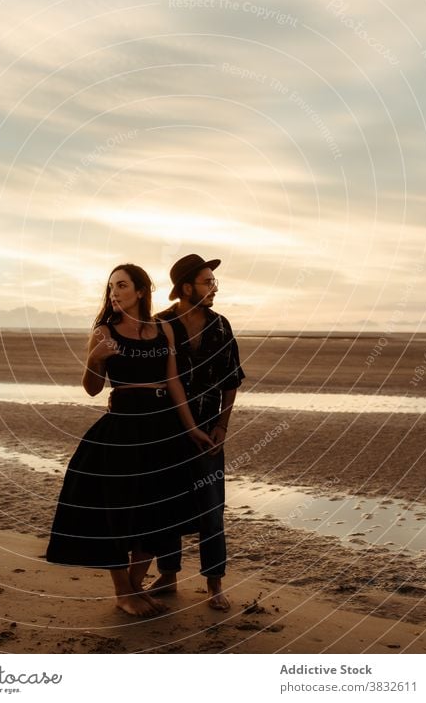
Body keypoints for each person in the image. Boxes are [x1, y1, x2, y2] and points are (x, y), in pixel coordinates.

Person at [46, 263, 213, 618]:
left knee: (158, 511)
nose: (114, 293)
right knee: (118, 512)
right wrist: (94, 358)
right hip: (123, 429)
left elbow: (174, 384)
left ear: (140, 291)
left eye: (121, 286)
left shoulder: (163, 329)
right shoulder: (104, 332)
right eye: (110, 288)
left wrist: (192, 427)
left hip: (163, 428)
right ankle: (123, 591)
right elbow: (92, 389)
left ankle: (135, 585)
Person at [151, 254, 245, 610]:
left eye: (214, 282)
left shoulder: (221, 326)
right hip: (164, 431)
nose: (214, 288)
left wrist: (222, 425)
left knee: (211, 507)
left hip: (208, 433)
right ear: (186, 287)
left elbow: (231, 380)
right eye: (208, 282)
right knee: (166, 504)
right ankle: (168, 574)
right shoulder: (159, 325)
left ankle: (214, 583)